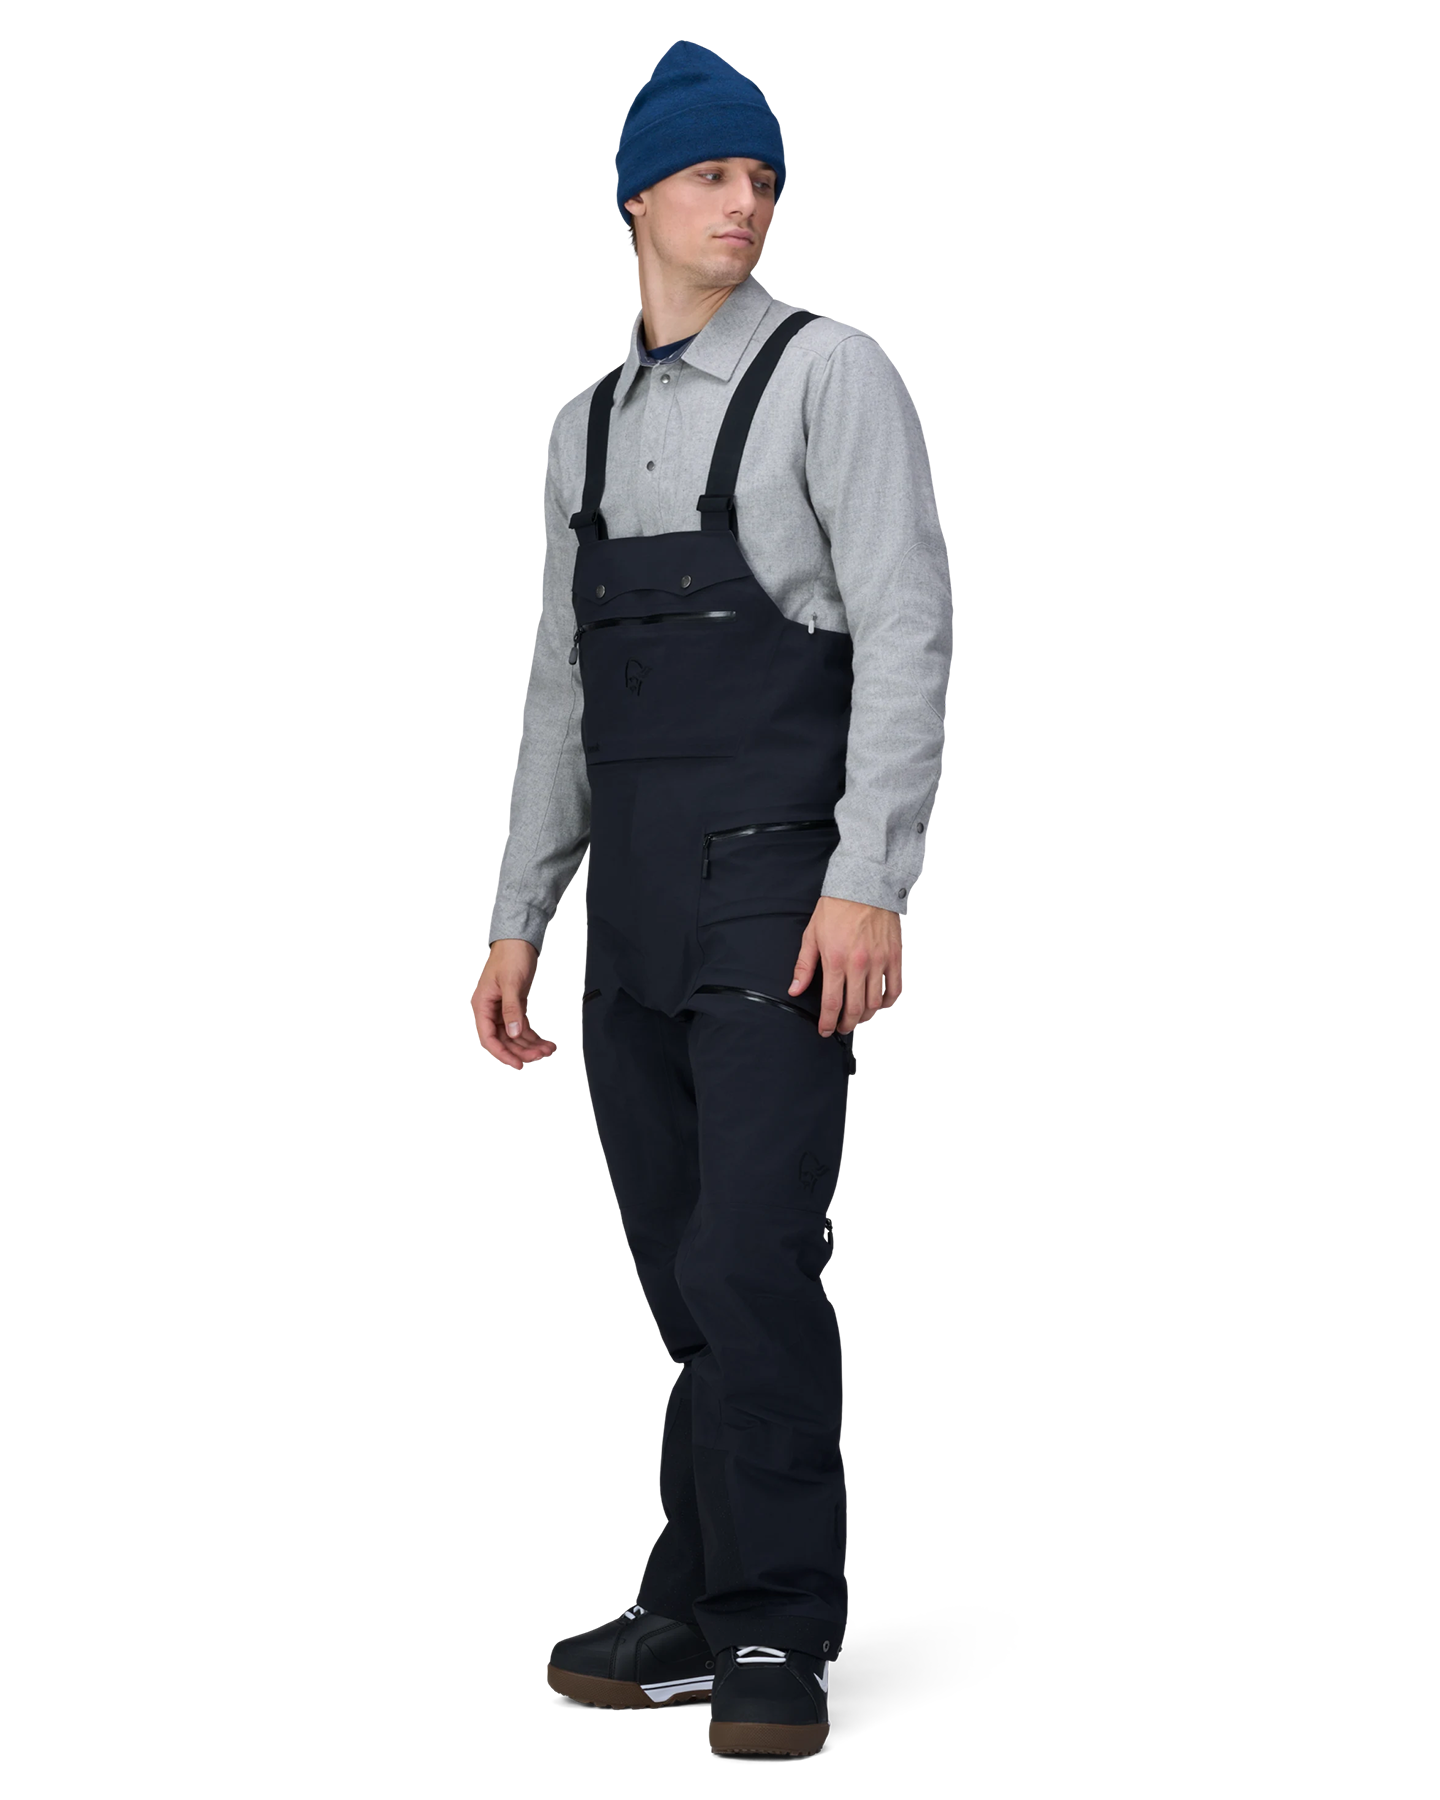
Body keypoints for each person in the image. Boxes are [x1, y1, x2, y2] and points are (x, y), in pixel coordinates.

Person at [471, 40, 952, 1761]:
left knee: (753, 1259)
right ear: (637, 199)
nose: (745, 205)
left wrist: (870, 881)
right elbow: (562, 683)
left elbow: (906, 625)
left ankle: (781, 1624)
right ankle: (694, 1590)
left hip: (780, 897)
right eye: (711, 176)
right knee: (685, 1269)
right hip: (635, 914)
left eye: (763, 179)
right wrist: (521, 912)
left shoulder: (833, 376)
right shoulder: (584, 432)